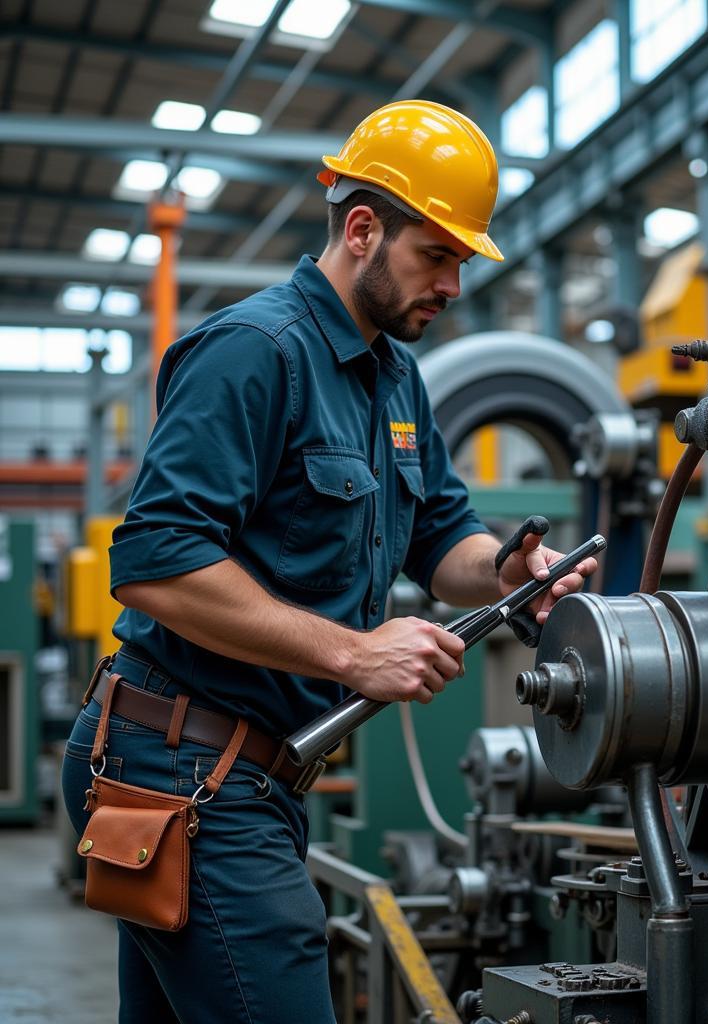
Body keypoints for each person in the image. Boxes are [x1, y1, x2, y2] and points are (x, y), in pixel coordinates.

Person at [61, 99, 597, 1022]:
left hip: (242, 774)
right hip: (183, 768)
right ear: (361, 230)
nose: (453, 286)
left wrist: (511, 574)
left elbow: (444, 540)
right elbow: (154, 561)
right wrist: (352, 654)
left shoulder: (393, 376)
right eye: (437, 256)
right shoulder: (254, 353)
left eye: (462, 262)